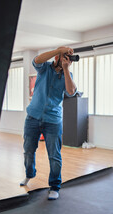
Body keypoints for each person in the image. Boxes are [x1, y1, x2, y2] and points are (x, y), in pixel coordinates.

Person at [20, 46, 77, 200]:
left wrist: (65, 69)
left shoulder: (68, 74)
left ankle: (54, 186)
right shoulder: (44, 68)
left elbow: (71, 91)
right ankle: (29, 174)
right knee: (28, 150)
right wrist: (58, 50)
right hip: (33, 117)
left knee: (54, 155)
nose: (68, 60)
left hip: (53, 121)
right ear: (57, 57)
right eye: (64, 56)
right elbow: (36, 60)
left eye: (69, 58)